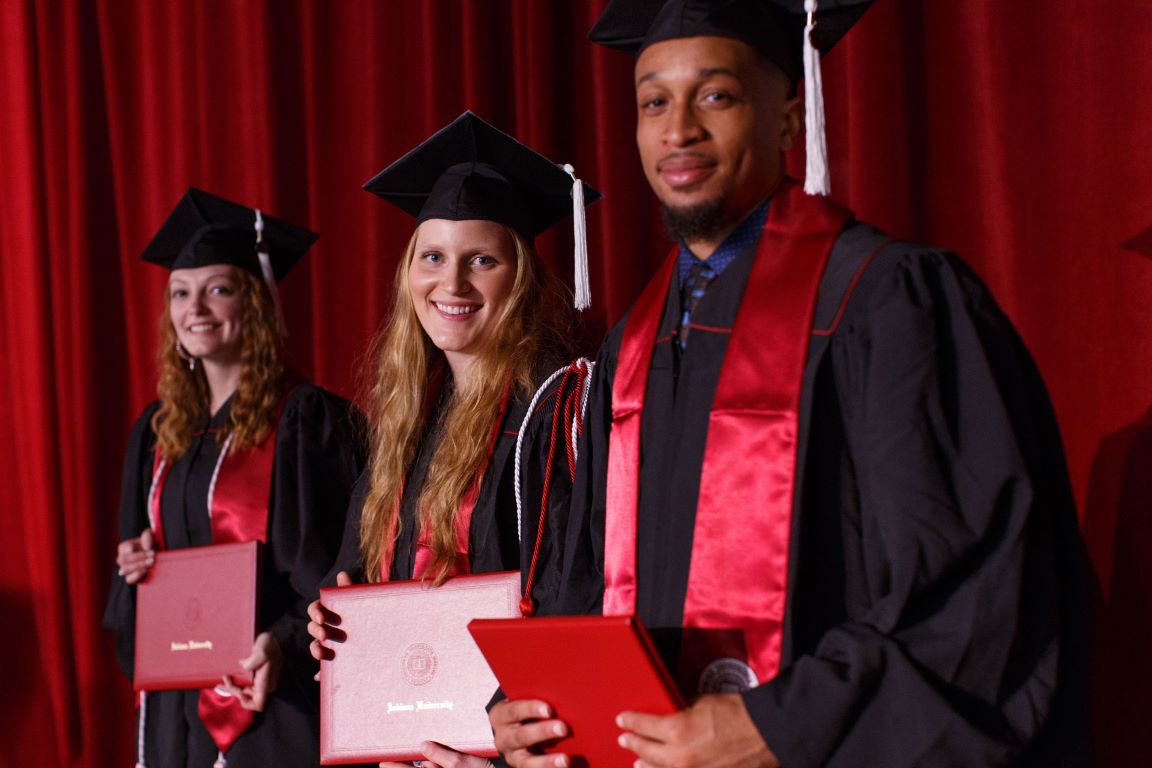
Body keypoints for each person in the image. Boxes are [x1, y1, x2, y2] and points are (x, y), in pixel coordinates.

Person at [489, 2, 1091, 767]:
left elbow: (975, 596)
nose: (679, 130)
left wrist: (780, 726)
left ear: (787, 117)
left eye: (716, 95)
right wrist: (529, 708)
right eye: (653, 102)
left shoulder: (889, 303)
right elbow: (586, 583)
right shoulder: (627, 353)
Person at [307, 112, 600, 768]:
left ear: (520, 274)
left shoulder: (554, 412)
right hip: (399, 747)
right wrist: (329, 623)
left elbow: (569, 599)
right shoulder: (409, 421)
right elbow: (355, 569)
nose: (453, 283)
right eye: (433, 257)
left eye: (482, 260)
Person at [102, 188, 367, 768]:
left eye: (217, 289)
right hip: (175, 710)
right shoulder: (155, 431)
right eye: (180, 293)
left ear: (253, 301)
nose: (194, 308)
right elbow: (129, 592)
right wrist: (136, 567)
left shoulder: (305, 421)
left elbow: (346, 569)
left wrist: (284, 642)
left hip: (274, 700)